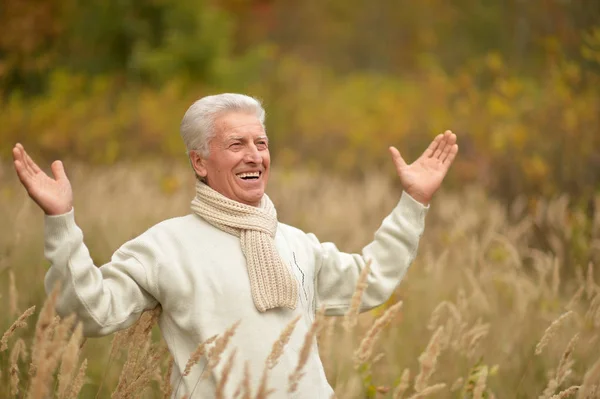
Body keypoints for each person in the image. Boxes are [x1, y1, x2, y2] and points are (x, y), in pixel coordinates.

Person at [12, 93, 458, 398]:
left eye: (261, 143)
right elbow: (87, 312)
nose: (255, 155)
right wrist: (61, 221)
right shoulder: (166, 246)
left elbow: (371, 281)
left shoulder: (294, 243)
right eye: (237, 144)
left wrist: (413, 202)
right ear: (200, 162)